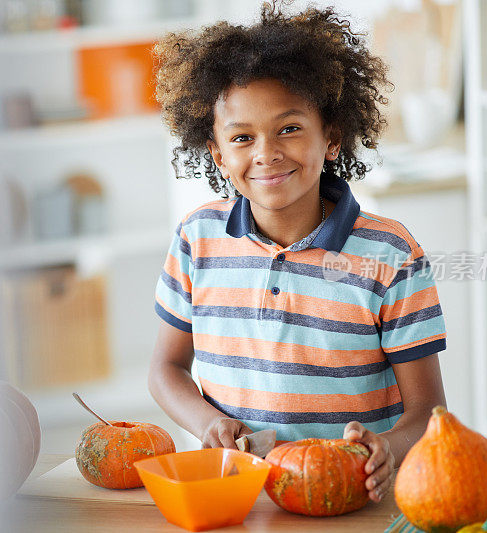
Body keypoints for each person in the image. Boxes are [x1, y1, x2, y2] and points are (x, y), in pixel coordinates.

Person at [148, 1, 447, 503]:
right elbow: (165, 369)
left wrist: (389, 449)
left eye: (289, 128)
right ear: (219, 154)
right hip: (239, 494)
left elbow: (429, 409)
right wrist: (210, 422)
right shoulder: (196, 238)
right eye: (242, 137)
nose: (266, 152)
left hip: (349, 496)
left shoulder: (392, 254)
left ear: (331, 136)